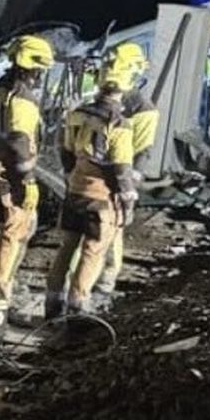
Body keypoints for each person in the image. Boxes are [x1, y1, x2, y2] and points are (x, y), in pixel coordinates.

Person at [0, 33, 53, 344]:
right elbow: (19, 146)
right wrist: (27, 184)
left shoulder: (0, 89)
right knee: (10, 240)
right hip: (8, 180)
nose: (41, 75)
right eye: (40, 69)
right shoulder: (24, 100)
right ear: (33, 68)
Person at [46, 80, 136, 320]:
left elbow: (65, 150)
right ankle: (77, 309)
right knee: (92, 252)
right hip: (101, 199)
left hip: (75, 191)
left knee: (67, 247)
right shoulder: (120, 124)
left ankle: (52, 306)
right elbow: (120, 169)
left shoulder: (78, 114)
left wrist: (71, 175)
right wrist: (128, 202)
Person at [94, 41, 157, 305]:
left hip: (118, 175)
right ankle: (84, 280)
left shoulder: (143, 110)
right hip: (94, 173)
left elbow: (142, 151)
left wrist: (128, 187)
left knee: (112, 232)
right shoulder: (104, 98)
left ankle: (104, 285)